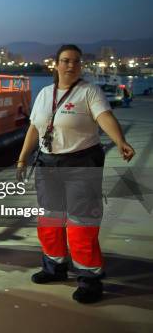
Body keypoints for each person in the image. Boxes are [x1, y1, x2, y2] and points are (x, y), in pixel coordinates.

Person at [17, 44, 135, 304]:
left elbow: (104, 117)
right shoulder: (45, 94)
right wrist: (22, 158)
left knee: (81, 224)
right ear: (56, 65)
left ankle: (90, 279)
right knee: (49, 220)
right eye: (66, 61)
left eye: (76, 61)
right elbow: (35, 128)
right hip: (48, 165)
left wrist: (120, 141)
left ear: (81, 66)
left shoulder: (89, 92)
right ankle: (54, 267)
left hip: (81, 164)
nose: (71, 65)